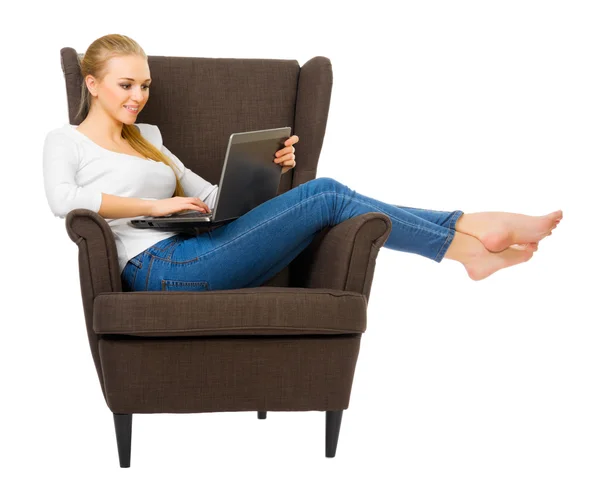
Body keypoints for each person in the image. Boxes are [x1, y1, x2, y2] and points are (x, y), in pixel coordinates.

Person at [43, 34, 562, 292]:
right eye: (126, 84)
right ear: (92, 84)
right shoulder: (66, 142)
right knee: (329, 193)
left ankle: (464, 236)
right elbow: (65, 202)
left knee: (320, 195)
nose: (138, 96)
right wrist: (156, 207)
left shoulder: (149, 137)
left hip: (202, 245)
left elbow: (210, 197)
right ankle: (463, 238)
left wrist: (267, 171)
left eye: (145, 85)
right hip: (158, 268)